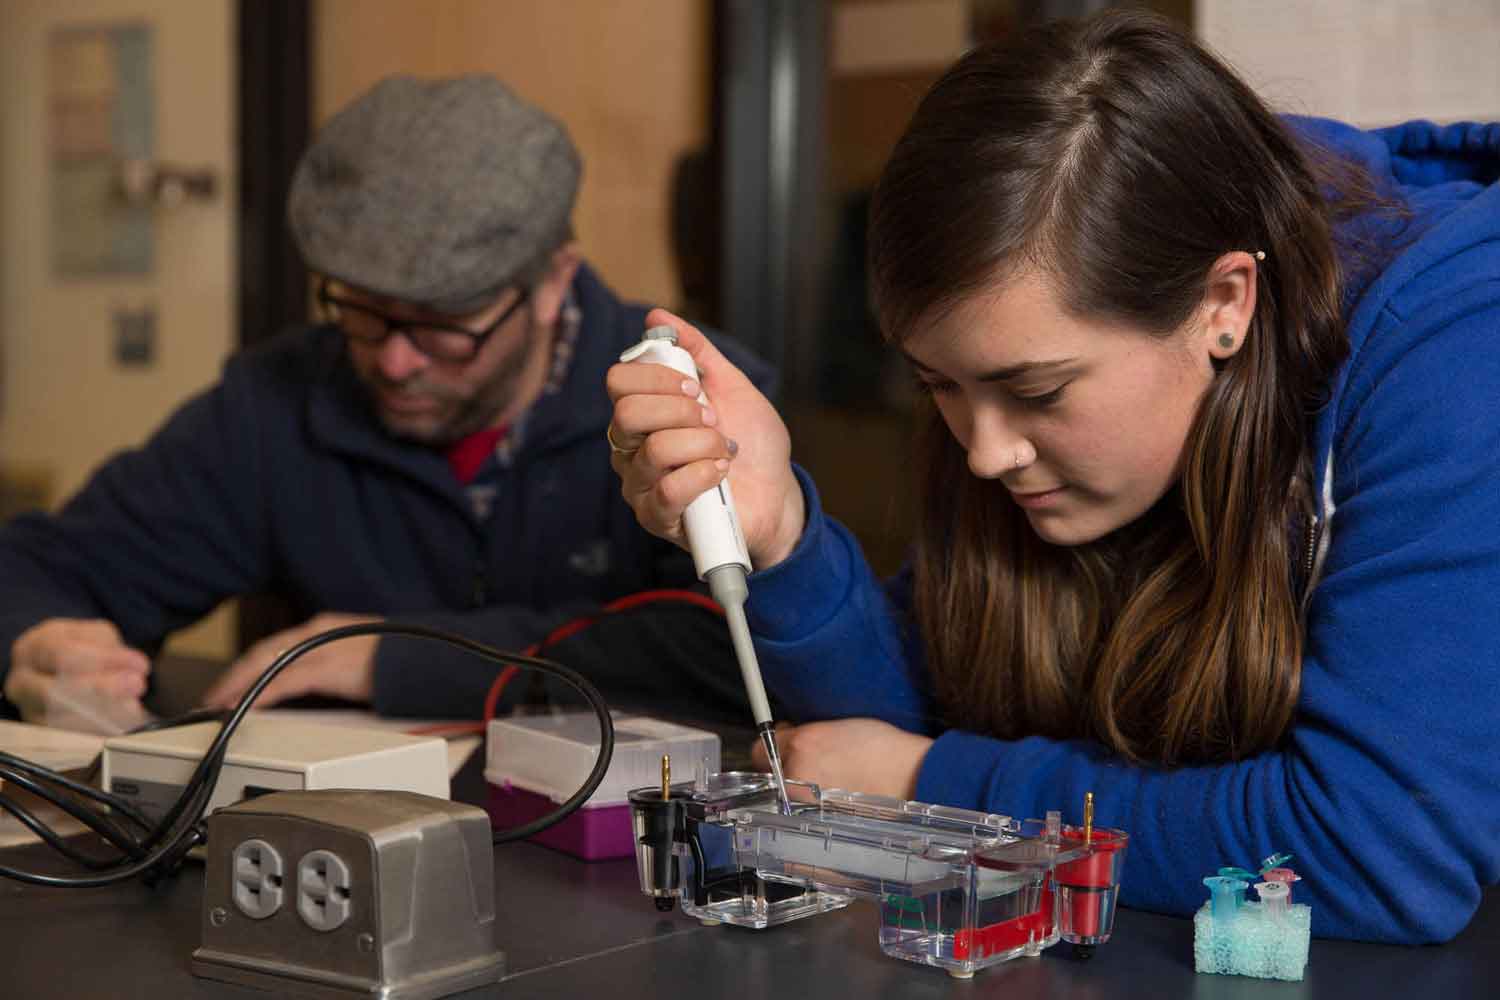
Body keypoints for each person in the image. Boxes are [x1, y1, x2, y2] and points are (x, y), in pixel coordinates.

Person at [606, 10, 1499, 944]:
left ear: (1223, 305)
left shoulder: (1458, 354)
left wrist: (932, 788)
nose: (985, 453)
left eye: (1038, 390)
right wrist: (782, 533)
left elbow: (1378, 848)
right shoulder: (1018, 384)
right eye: (938, 385)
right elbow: (904, 722)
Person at [0, 74, 773, 726]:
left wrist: (393, 656)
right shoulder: (277, 400)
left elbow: (728, 650)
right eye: (363, 313)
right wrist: (35, 640)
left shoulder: (691, 404)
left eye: (442, 325)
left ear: (553, 282)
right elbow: (47, 565)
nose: (394, 361)